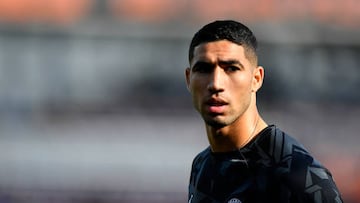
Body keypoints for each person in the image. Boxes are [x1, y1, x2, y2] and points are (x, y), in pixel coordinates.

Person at [185, 20, 343, 203]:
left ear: (256, 79)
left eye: (231, 69)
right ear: (188, 79)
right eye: (203, 69)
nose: (216, 84)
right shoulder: (201, 166)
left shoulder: (299, 175)